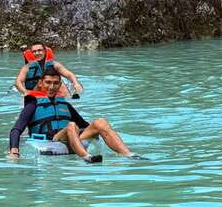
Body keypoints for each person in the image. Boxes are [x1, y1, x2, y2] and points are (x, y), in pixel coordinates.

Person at [8, 66, 142, 163]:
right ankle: (86, 157)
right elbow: (16, 129)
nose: (52, 87)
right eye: (48, 82)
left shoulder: (65, 105)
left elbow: (84, 125)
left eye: (55, 83)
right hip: (52, 139)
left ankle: (129, 154)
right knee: (72, 125)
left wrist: (96, 134)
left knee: (100, 122)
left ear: (60, 84)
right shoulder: (32, 104)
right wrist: (14, 150)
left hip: (71, 136)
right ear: (41, 83)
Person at [14, 42, 83, 98]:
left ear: (44, 51)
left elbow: (69, 74)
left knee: (60, 82)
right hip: (34, 91)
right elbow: (18, 82)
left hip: (52, 89)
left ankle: (68, 100)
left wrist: (75, 83)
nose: (37, 53)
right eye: (34, 51)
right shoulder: (26, 67)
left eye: (39, 50)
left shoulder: (55, 64)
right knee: (40, 83)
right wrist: (25, 92)